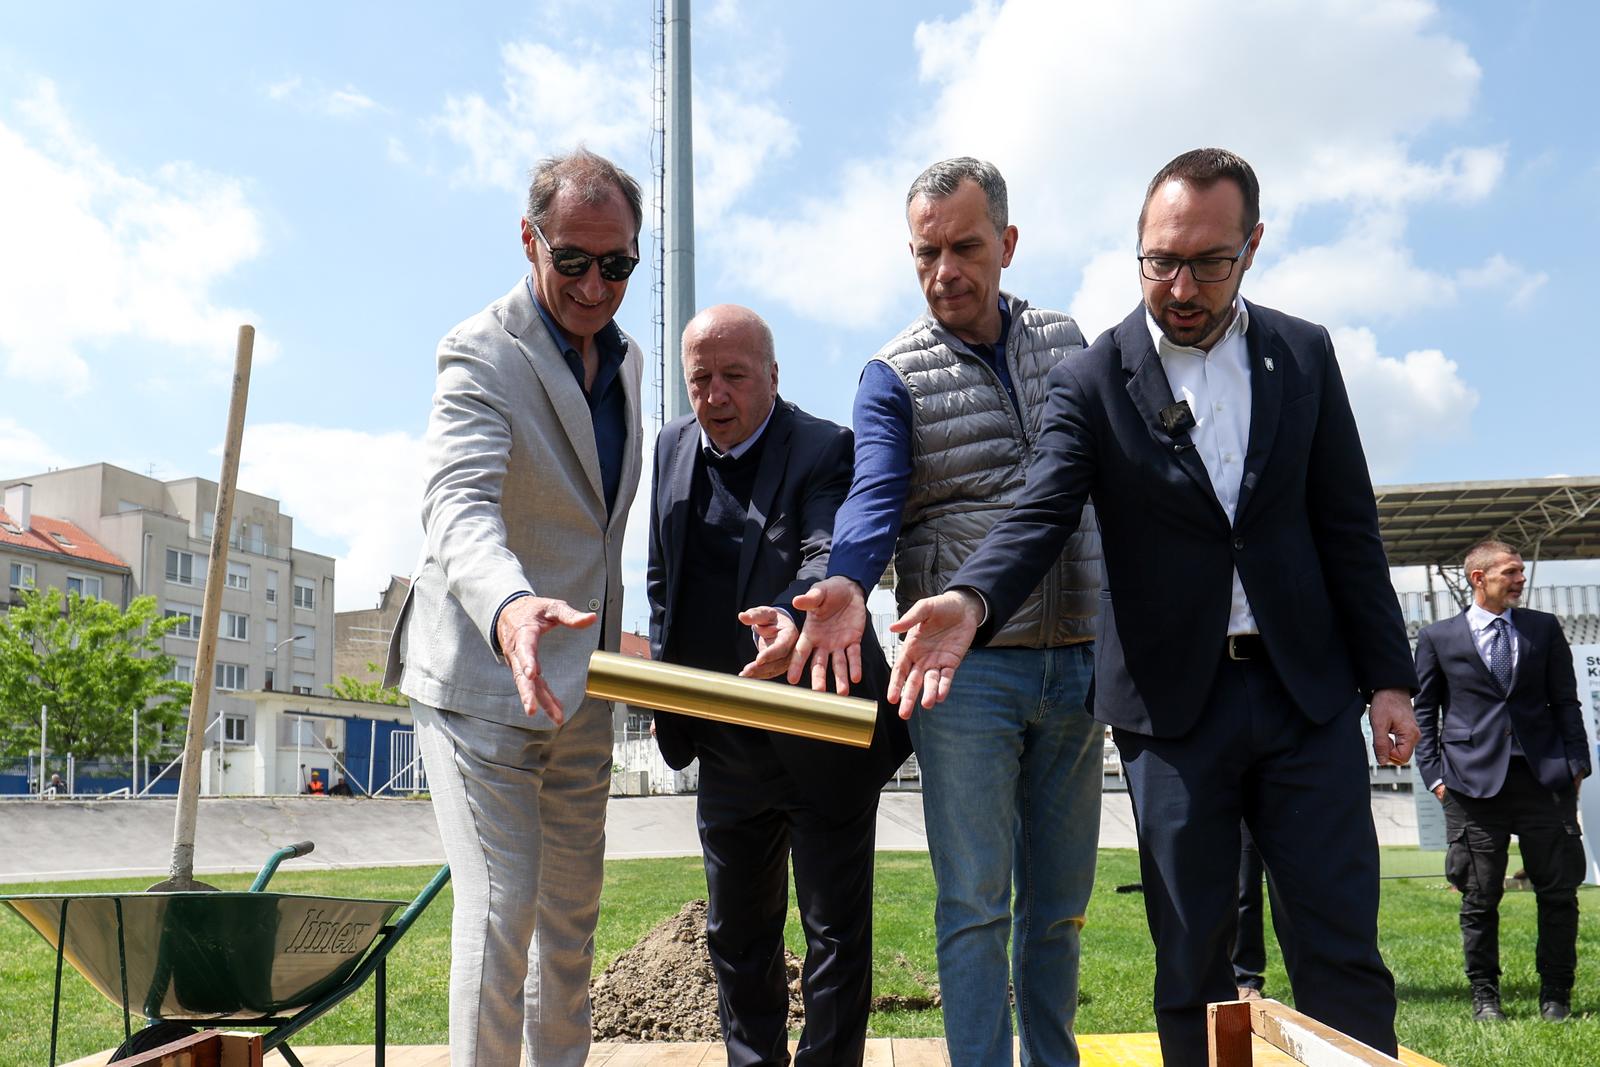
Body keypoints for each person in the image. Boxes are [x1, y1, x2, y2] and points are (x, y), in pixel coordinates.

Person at [882, 148, 1422, 1066]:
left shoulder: (1304, 353)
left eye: (1209, 262)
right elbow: (1043, 507)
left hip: (1305, 696)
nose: (1180, 284)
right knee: (1193, 956)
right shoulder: (1095, 379)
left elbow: (1347, 526)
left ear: (1252, 247)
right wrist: (973, 598)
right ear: (1136, 249)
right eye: (1159, 260)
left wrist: (1388, 679)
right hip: (1175, 714)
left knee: (1339, 947)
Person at [789, 157, 1103, 1066]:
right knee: (974, 902)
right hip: (961, 676)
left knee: (1063, 906)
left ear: (1007, 244)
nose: (945, 272)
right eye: (925, 253)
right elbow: (876, 493)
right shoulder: (891, 373)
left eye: (965, 247)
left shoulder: (1068, 339)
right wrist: (848, 577)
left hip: (1079, 656)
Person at [385, 147, 645, 1066]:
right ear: (528, 239)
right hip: (480, 678)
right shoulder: (480, 350)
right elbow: (458, 502)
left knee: (569, 923)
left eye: (617, 265)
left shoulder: (628, 363)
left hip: (581, 688)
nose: (592, 285)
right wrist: (511, 607)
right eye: (572, 259)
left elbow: (595, 527)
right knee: (503, 909)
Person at [648, 304, 911, 1067]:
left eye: (734, 376)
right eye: (701, 379)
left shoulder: (824, 446)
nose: (716, 395)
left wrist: (802, 608)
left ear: (773, 375)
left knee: (833, 936)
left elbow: (827, 542)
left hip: (817, 728)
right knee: (736, 934)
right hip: (721, 738)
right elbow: (662, 582)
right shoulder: (669, 448)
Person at [1414, 540, 1590, 1023]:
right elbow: (1424, 711)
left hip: (1543, 780)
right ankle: (1485, 997)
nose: (1520, 580)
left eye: (1520, 572)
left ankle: (1556, 996)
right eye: (1510, 572)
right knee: (1479, 897)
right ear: (1479, 578)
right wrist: (1434, 776)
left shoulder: (1543, 628)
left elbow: (1566, 702)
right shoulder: (1438, 637)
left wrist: (1576, 763)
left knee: (1558, 894)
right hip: (1470, 787)